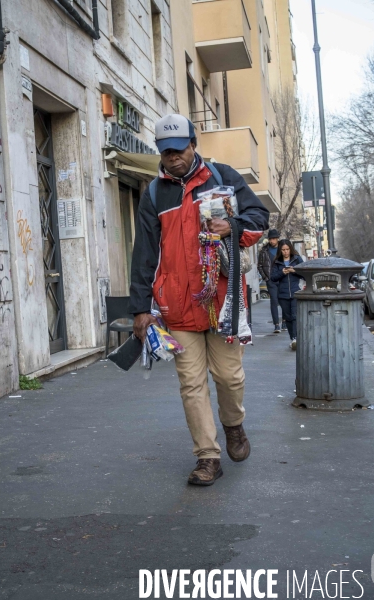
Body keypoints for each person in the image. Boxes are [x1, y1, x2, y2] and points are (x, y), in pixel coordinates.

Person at [129, 114, 269, 486]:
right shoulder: (155, 194)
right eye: (166, 152)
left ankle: (233, 425)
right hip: (177, 305)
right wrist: (142, 308)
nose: (173, 158)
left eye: (179, 149)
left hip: (222, 301)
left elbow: (259, 217)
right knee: (190, 384)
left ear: (193, 144)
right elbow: (144, 252)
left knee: (229, 376)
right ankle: (208, 456)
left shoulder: (224, 177)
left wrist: (232, 226)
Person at [270, 239, 303, 350]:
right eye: (283, 250)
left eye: (287, 249)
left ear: (291, 249)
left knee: (295, 316)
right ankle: (292, 338)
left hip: (295, 292)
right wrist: (282, 273)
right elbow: (273, 277)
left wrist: (295, 271)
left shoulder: (297, 259)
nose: (285, 252)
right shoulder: (277, 262)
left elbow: (305, 274)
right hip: (283, 294)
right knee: (288, 317)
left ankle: (296, 339)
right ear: (280, 250)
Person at [257, 229, 286, 333]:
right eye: (270, 239)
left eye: (274, 238)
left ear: (277, 239)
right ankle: (276, 325)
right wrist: (266, 278)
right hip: (271, 281)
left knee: (283, 301)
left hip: (282, 279)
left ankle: (284, 322)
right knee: (274, 301)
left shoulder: (283, 249)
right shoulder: (264, 251)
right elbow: (259, 266)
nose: (272, 241)